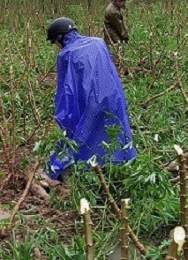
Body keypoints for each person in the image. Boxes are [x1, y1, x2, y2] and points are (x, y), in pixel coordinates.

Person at [46, 17, 136, 181]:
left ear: (60, 38)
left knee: (82, 135)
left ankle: (71, 170)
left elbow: (66, 91)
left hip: (90, 103)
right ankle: (118, 165)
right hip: (114, 98)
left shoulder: (66, 55)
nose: (57, 47)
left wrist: (62, 118)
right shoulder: (99, 42)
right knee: (113, 132)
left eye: (55, 42)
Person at [103, 0, 129, 72]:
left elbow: (121, 22)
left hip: (113, 30)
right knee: (116, 48)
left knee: (116, 49)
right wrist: (124, 36)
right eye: (120, 1)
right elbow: (119, 26)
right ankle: (115, 69)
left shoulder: (116, 7)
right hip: (111, 32)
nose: (122, 3)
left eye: (123, 1)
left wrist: (126, 31)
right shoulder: (113, 11)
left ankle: (116, 66)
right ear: (116, 1)